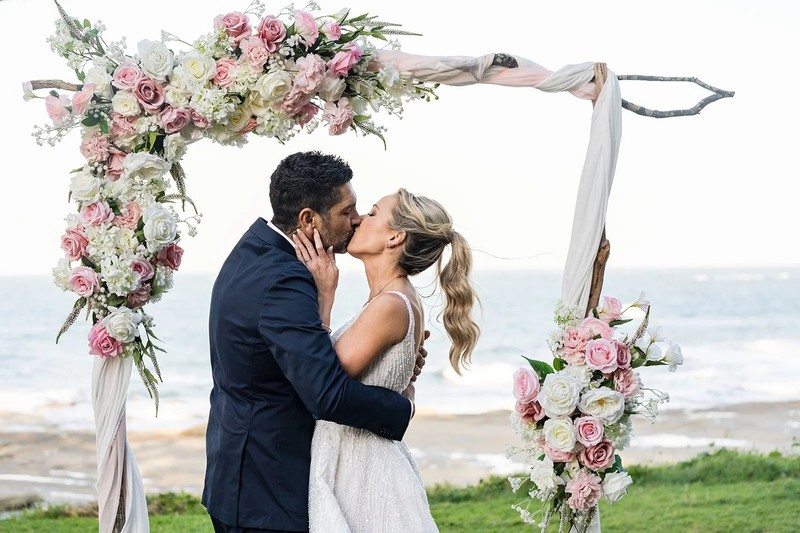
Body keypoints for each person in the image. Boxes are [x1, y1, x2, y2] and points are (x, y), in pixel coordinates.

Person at [202, 152, 422, 533]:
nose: (355, 220)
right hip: (266, 487)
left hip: (239, 471)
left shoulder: (255, 249)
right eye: (347, 211)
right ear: (309, 219)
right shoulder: (285, 279)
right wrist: (400, 404)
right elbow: (327, 395)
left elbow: (295, 361)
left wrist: (390, 361)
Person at [293, 188, 481, 532]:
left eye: (374, 213)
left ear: (395, 236)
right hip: (355, 464)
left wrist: (324, 296)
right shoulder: (388, 301)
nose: (359, 219)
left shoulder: (391, 304)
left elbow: (321, 379)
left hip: (364, 474)